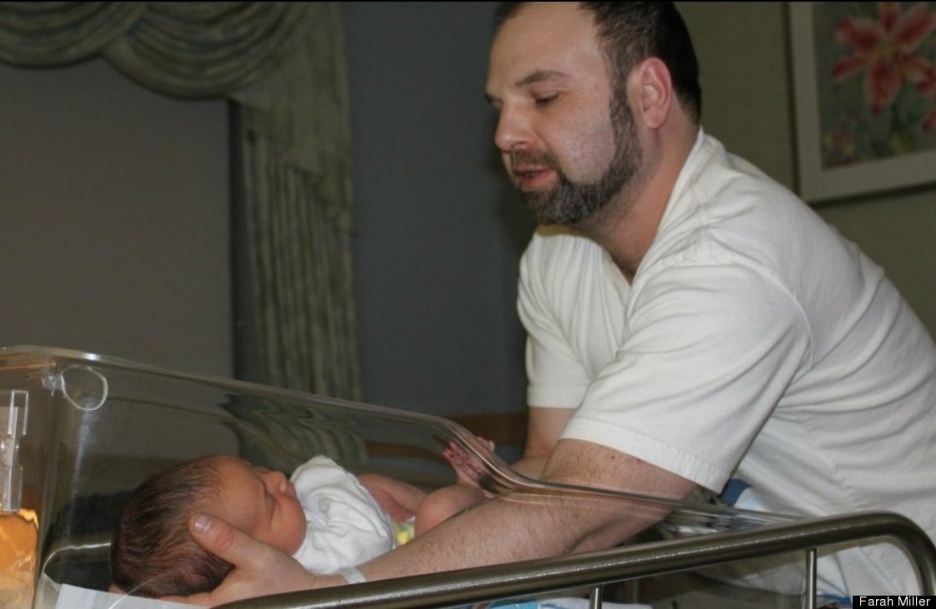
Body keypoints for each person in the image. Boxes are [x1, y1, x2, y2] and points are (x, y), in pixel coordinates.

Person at [172, 2, 936, 605]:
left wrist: (333, 593)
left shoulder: (735, 256)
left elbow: (581, 515)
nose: (507, 133)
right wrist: (439, 514)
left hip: (907, 579)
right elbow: (549, 473)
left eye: (542, 96)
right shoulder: (559, 253)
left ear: (649, 94)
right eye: (500, 105)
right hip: (791, 583)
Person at [111, 451, 487, 598]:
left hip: (410, 541)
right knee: (438, 509)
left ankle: (477, 504)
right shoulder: (311, 567)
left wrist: (365, 490)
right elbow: (368, 544)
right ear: (255, 558)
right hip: (433, 589)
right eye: (268, 499)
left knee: (373, 486)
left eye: (256, 469)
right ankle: (473, 491)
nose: (278, 477)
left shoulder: (292, 523)